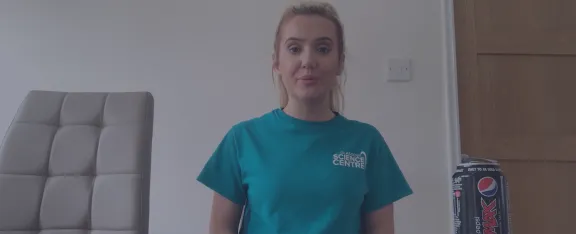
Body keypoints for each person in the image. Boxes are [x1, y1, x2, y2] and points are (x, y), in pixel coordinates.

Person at [197, 1, 413, 233]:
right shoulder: (242, 139)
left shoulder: (367, 142)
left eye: (322, 49)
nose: (308, 61)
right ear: (276, 62)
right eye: (294, 48)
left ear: (340, 62)